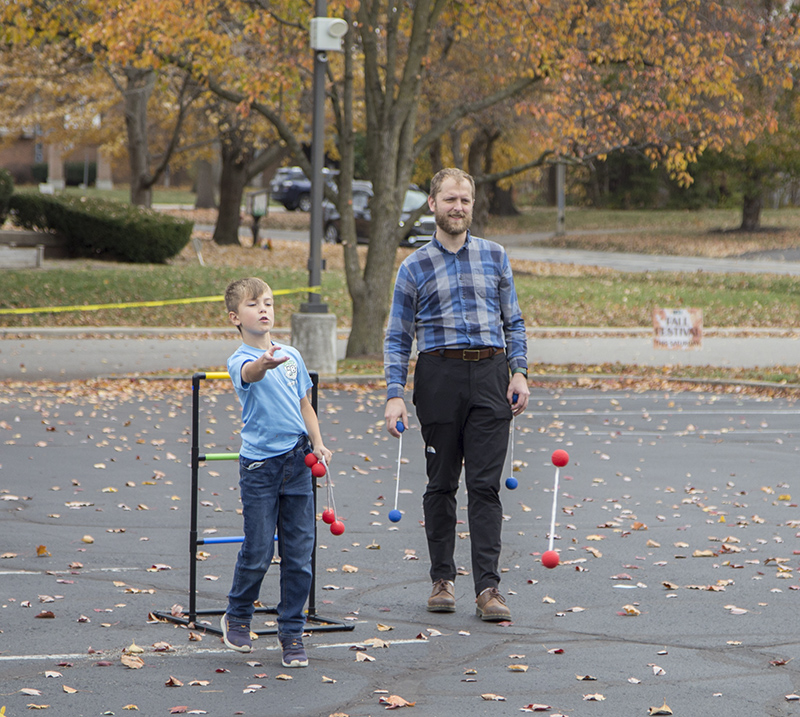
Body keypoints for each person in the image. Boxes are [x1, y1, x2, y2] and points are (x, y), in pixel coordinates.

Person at [384, 168, 530, 621]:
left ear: (472, 205)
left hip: (490, 373)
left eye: (464, 200)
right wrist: (394, 394)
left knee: (484, 487)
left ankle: (489, 590)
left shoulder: (495, 256)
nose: (458, 207)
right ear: (432, 204)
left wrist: (519, 372)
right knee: (442, 482)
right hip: (438, 376)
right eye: (449, 199)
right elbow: (397, 337)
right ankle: (442, 580)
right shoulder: (413, 266)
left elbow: (515, 322)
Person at [221, 277, 332, 667]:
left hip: (298, 463)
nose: (263, 309)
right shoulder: (239, 360)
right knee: (258, 550)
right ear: (236, 317)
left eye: (267, 302)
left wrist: (317, 442)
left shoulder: (292, 355)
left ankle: (291, 633)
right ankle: (237, 616)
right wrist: (262, 364)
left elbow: (305, 405)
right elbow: (250, 374)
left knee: (300, 554)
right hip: (259, 468)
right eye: (253, 305)